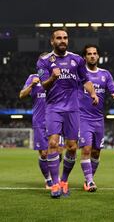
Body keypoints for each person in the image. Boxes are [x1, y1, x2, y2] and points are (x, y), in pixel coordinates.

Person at [37, 29, 99, 198]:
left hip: (72, 108)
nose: (62, 40)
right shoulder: (44, 61)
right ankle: (55, 184)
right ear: (52, 41)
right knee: (53, 144)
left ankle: (64, 180)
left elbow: (85, 80)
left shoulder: (77, 59)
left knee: (72, 147)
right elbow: (43, 86)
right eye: (59, 38)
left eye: (65, 38)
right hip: (53, 108)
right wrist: (53, 78)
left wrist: (92, 93)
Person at [78, 44, 114, 192]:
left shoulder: (105, 74)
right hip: (83, 117)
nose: (92, 56)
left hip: (98, 119)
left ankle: (89, 179)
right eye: (89, 54)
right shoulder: (80, 74)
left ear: (98, 56)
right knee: (87, 149)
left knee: (96, 152)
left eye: (95, 53)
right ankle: (89, 182)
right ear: (85, 57)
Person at [19, 57, 53, 189]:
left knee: (58, 151)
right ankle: (48, 179)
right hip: (39, 121)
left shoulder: (56, 77)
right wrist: (32, 85)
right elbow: (22, 95)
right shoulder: (33, 77)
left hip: (56, 119)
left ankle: (55, 176)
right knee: (44, 153)